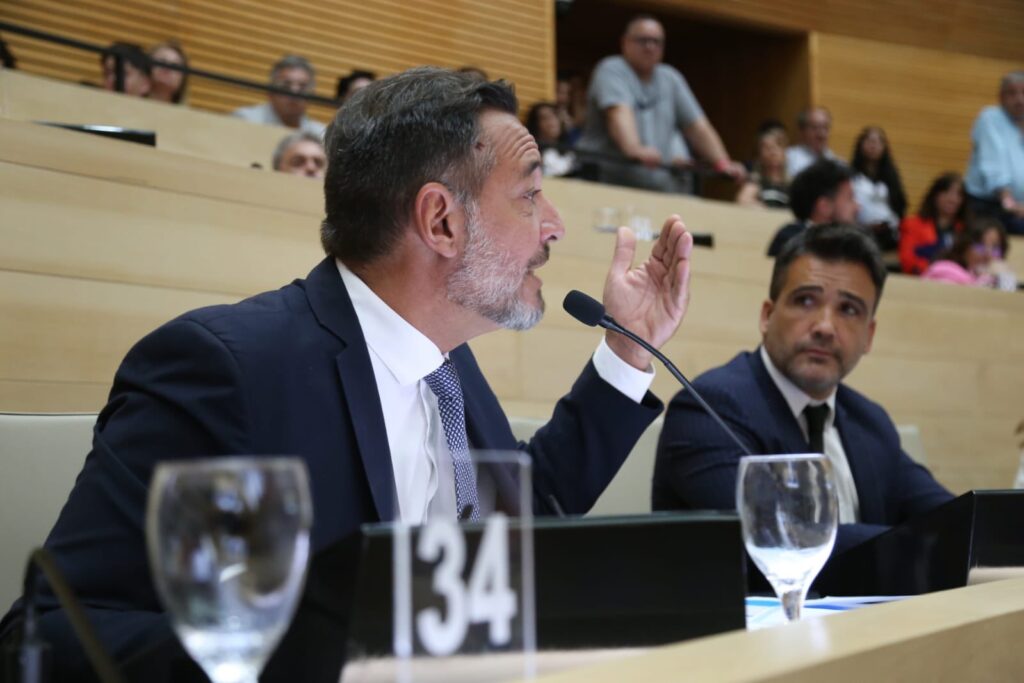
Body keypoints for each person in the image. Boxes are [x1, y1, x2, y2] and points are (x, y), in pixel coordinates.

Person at [0, 67, 694, 679]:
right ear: (441, 221)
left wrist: (628, 351)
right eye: (531, 195)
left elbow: (520, 521)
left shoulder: (447, 366)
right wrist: (310, 659)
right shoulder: (225, 368)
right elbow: (53, 631)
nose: (555, 226)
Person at [653, 223, 954, 554]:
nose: (825, 327)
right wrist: (923, 544)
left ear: (868, 336)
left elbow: (953, 519)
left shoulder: (870, 421)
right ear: (767, 316)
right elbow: (782, 540)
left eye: (849, 310)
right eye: (806, 300)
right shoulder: (708, 409)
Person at [577, 14, 745, 194]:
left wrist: (722, 162)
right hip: (605, 184)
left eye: (656, 42)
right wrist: (634, 148)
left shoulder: (671, 78)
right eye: (642, 40)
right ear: (625, 42)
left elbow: (697, 126)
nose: (650, 47)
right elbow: (618, 113)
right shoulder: (611, 69)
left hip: (654, 190)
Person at [964, 71, 1024, 235]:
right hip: (987, 205)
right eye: (1012, 93)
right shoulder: (990, 118)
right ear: (1001, 97)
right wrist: (1010, 204)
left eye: (1023, 93)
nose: (1019, 99)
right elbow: (993, 167)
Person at [766, 159, 858, 256]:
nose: (857, 207)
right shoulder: (791, 239)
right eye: (850, 198)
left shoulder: (852, 241)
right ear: (825, 206)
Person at [233, 55, 326, 136]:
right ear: (270, 92)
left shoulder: (319, 134)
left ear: (312, 95)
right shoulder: (244, 120)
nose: (294, 92)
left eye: (302, 87)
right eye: (286, 86)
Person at [850, 126, 907, 250]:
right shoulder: (851, 175)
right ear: (860, 145)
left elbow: (899, 205)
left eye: (878, 142)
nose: (873, 145)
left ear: (884, 147)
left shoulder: (891, 177)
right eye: (869, 141)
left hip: (888, 234)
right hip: (858, 232)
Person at [899, 172, 967, 275]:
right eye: (946, 192)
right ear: (935, 195)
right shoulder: (912, 224)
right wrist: (938, 271)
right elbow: (907, 261)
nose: (953, 199)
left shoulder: (966, 229)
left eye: (959, 195)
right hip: (921, 279)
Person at [921, 218, 1017, 291]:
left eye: (995, 248)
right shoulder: (943, 271)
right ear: (964, 247)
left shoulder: (994, 278)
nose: (988, 255)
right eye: (980, 245)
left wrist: (1004, 277)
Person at [736, 127, 789, 209]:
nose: (773, 152)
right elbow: (742, 200)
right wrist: (767, 211)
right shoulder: (756, 181)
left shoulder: (791, 184)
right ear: (759, 154)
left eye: (778, 146)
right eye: (767, 148)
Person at [525, 101, 577, 177]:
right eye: (544, 118)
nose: (551, 121)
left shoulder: (570, 150)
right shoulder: (530, 154)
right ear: (535, 125)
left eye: (554, 116)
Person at [786, 107, 841, 177]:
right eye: (815, 127)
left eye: (825, 127)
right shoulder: (789, 158)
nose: (821, 134)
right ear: (802, 131)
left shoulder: (837, 163)